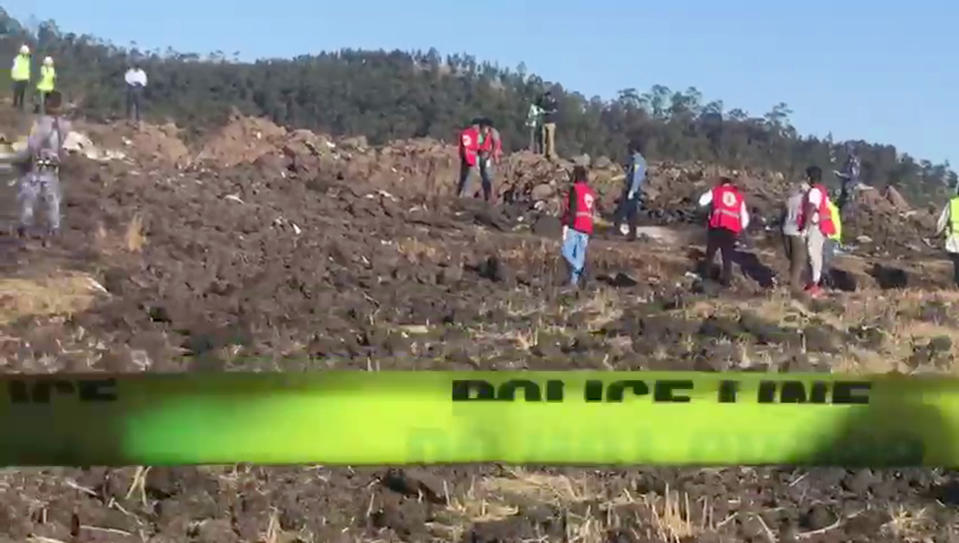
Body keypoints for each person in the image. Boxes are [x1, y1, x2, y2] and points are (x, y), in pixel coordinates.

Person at [13, 90, 69, 243]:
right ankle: (53, 229)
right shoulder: (64, 125)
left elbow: (32, 146)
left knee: (29, 197)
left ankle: (25, 228)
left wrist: (19, 160)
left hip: (38, 165)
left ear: (46, 104)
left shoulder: (41, 124)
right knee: (52, 199)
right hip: (53, 166)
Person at [698, 177, 749, 287]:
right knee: (727, 256)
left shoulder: (716, 191)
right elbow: (744, 217)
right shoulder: (739, 196)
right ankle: (726, 281)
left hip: (717, 225)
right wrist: (739, 228)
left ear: (722, 184)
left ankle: (705, 277)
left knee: (710, 253)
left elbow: (702, 201)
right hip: (731, 229)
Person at [797, 166, 837, 298]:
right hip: (821, 226)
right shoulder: (821, 191)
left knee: (813, 255)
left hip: (816, 226)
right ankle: (812, 283)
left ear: (810, 177)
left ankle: (815, 285)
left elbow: (812, 209)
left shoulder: (814, 192)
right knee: (814, 256)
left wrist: (805, 228)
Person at [560, 166, 596, 288]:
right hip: (587, 226)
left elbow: (572, 208)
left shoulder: (575, 189)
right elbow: (592, 210)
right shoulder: (590, 191)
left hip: (576, 224)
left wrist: (566, 222)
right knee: (579, 254)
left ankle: (580, 269)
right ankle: (573, 283)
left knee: (565, 251)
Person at [612, 140, 647, 240]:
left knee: (622, 210)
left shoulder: (638, 161)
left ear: (633, 149)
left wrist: (632, 191)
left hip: (632, 190)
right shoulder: (635, 160)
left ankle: (618, 230)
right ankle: (631, 234)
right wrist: (616, 178)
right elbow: (629, 175)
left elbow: (637, 177)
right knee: (631, 212)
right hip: (631, 189)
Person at [781, 177, 810, 292]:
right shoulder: (806, 201)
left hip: (786, 229)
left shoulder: (790, 199)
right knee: (798, 260)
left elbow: (783, 215)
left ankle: (791, 281)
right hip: (797, 232)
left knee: (791, 258)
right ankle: (793, 287)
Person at [935, 187, 959, 288]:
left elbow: (942, 222)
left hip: (954, 242)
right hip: (954, 241)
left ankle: (955, 285)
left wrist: (937, 233)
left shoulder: (952, 204)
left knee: (956, 265)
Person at [475, 118, 501, 202]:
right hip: (481, 154)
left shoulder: (494, 133)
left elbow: (496, 145)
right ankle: (482, 194)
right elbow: (478, 144)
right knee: (480, 175)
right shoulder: (479, 133)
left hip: (489, 155)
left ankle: (490, 195)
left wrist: (493, 155)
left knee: (488, 176)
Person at [821, 191, 843, 288]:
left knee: (826, 261)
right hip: (832, 237)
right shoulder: (830, 207)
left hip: (831, 237)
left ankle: (826, 282)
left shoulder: (829, 207)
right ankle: (826, 282)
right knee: (826, 260)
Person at [456, 119, 482, 199]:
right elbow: (472, 145)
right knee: (469, 175)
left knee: (465, 175)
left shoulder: (470, 133)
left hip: (466, 156)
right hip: (470, 156)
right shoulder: (470, 134)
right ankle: (466, 194)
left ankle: (461, 193)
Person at [834, 142, 860, 210]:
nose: (846, 151)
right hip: (845, 186)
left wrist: (840, 175)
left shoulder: (854, 161)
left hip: (850, 187)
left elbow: (853, 176)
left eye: (847, 149)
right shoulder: (848, 161)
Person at [537, 90, 559, 160]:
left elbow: (555, 111)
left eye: (549, 96)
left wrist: (546, 112)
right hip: (544, 122)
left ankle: (550, 153)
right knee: (543, 138)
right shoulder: (544, 103)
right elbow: (538, 105)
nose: (548, 97)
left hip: (551, 123)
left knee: (550, 138)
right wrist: (540, 99)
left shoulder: (555, 103)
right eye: (547, 96)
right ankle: (543, 152)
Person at [10, 45, 30, 111]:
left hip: (18, 77)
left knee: (17, 90)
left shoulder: (18, 58)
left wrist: (13, 75)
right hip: (24, 77)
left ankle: (15, 103)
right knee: (22, 91)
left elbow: (14, 67)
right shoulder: (27, 58)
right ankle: (21, 104)